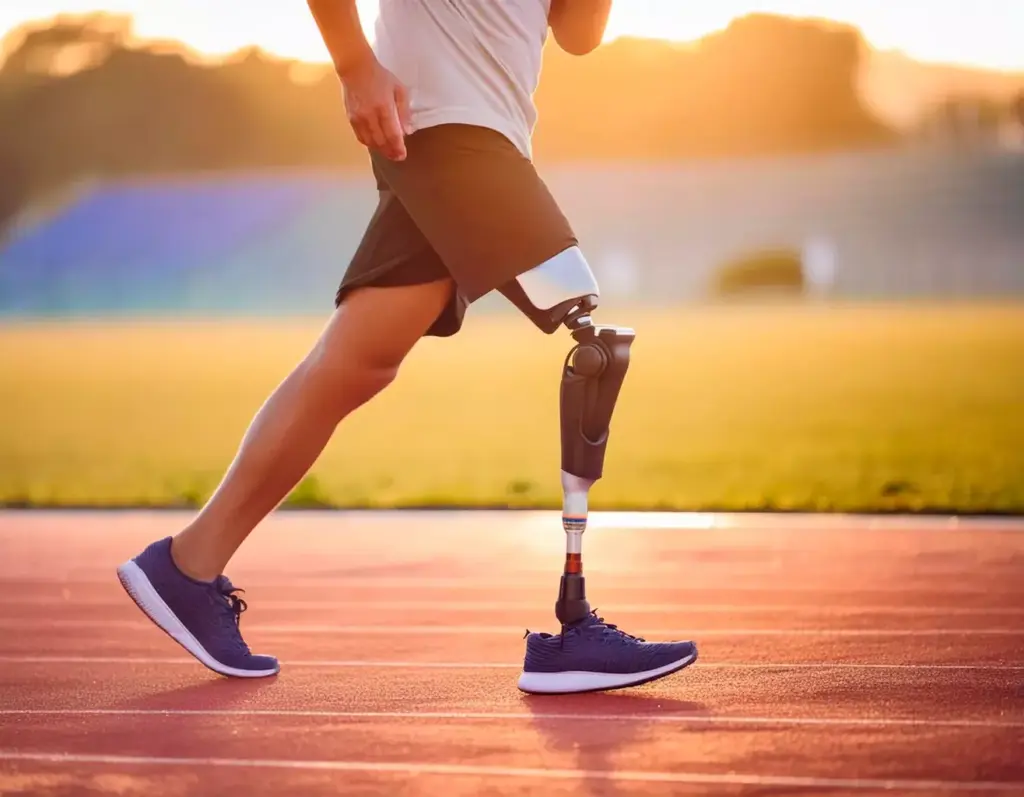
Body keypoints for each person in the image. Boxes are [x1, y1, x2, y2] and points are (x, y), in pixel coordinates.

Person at [116, 0, 697, 695]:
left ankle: (187, 566)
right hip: (443, 124)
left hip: (481, 132)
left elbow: (579, 35)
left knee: (357, 365)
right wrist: (354, 63)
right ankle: (572, 630)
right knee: (592, 341)